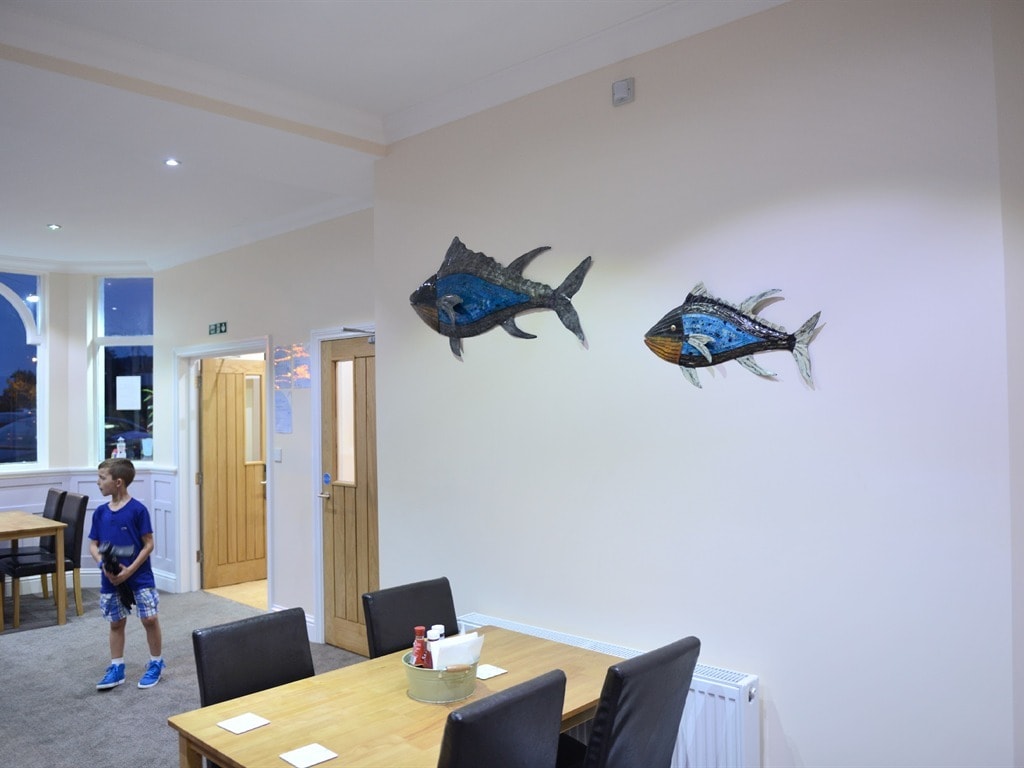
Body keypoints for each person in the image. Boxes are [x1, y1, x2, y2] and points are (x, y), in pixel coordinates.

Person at [89, 457, 165, 690]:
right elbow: (93, 544)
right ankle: (117, 667)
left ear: (118, 482)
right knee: (116, 622)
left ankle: (156, 662)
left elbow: (148, 544)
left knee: (149, 619)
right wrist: (102, 565)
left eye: (102, 478)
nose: (98, 482)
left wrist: (130, 570)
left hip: (139, 576)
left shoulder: (137, 510)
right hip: (110, 578)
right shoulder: (100, 513)